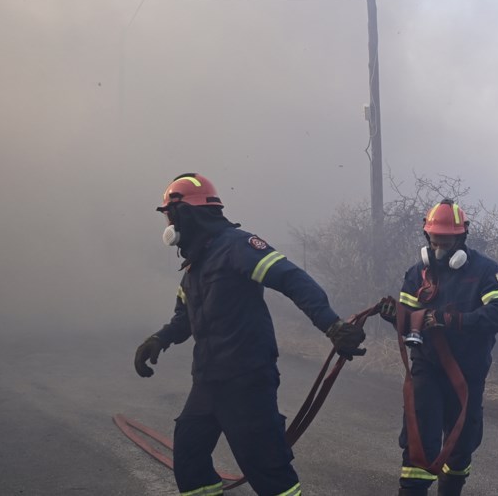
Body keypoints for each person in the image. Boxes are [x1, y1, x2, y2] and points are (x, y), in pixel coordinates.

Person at [133, 173, 366, 496]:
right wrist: (158, 339)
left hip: (246, 380)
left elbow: (291, 278)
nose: (169, 224)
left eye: (171, 214)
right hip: (207, 381)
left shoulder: (236, 246)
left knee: (267, 470)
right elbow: (184, 318)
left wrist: (332, 325)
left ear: (187, 213)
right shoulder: (194, 266)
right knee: (189, 458)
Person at [380, 199, 498, 496]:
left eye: (446, 238)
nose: (439, 245)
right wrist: (398, 317)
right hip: (426, 369)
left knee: (462, 443)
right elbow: (407, 322)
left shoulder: (485, 272)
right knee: (419, 444)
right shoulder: (419, 273)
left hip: (467, 373)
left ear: (462, 236)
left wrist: (453, 320)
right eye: (434, 238)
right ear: (426, 236)